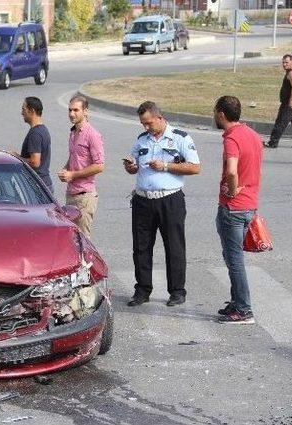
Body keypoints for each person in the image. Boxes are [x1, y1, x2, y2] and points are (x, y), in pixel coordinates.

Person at [123, 101, 200, 307]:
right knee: (141, 247)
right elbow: (135, 166)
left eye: (148, 123)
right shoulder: (142, 140)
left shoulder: (180, 138)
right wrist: (130, 166)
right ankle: (142, 290)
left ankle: (177, 291)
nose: (145, 127)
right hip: (143, 200)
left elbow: (194, 167)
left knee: (174, 246)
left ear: (159, 117)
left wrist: (166, 166)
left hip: (169, 199)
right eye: (142, 124)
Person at [214, 96, 263, 324]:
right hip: (249, 205)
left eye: (215, 112)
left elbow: (232, 171)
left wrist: (232, 191)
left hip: (233, 208)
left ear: (221, 114)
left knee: (234, 260)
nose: (214, 116)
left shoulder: (232, 138)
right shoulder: (252, 134)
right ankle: (237, 301)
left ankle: (244, 310)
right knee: (232, 256)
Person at [57, 95, 104, 237]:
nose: (71, 114)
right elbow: (74, 156)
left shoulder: (93, 135)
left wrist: (73, 175)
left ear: (86, 111)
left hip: (84, 196)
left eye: (76, 110)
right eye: (70, 110)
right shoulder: (73, 132)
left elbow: (100, 165)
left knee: (82, 240)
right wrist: (66, 169)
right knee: (71, 239)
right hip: (71, 194)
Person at [266, 54, 292, 149]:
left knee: (280, 122)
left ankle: (273, 142)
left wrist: (291, 100)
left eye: (286, 62)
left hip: (289, 104)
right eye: (283, 62)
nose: (284, 64)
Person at [15, 96, 53, 193]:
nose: (21, 113)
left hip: (38, 187)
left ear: (31, 111)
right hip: (44, 184)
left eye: (24, 109)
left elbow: (35, 162)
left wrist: (17, 158)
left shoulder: (35, 133)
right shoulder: (43, 130)